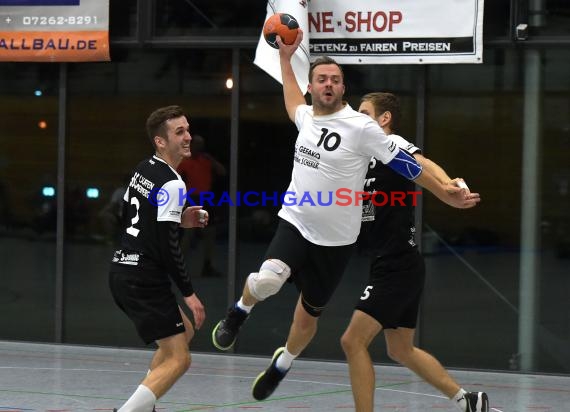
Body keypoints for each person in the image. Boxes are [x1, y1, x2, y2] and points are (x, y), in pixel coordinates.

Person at [211, 29, 480, 402]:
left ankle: (283, 363)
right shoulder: (306, 117)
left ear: (342, 88)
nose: (329, 84)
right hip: (296, 221)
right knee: (268, 280)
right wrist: (286, 60)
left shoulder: (361, 127)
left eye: (336, 80)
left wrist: (445, 191)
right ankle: (238, 311)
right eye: (322, 78)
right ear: (313, 86)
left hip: (337, 242)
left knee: (306, 321)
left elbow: (409, 163)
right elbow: (291, 98)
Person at [340, 92, 488, 412]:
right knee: (400, 349)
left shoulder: (391, 147)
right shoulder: (363, 153)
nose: (358, 118)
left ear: (384, 120)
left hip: (397, 265)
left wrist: (450, 184)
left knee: (352, 341)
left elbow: (422, 162)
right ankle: (469, 401)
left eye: (365, 112)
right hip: (394, 264)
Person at [109, 105, 207, 412]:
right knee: (180, 358)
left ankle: (144, 406)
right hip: (143, 277)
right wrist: (189, 294)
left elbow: (125, 214)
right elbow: (168, 247)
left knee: (184, 334)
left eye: (187, 129)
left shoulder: (143, 169)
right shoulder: (173, 184)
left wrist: (176, 218)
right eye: (179, 132)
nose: (188, 137)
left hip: (122, 270)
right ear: (160, 141)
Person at [177, 134, 227, 277]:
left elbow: (222, 172)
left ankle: (207, 266)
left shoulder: (206, 161)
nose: (199, 147)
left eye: (201, 145)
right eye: (197, 144)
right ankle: (178, 266)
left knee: (210, 233)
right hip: (192, 199)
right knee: (189, 233)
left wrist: (211, 159)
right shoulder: (184, 161)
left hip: (206, 199)